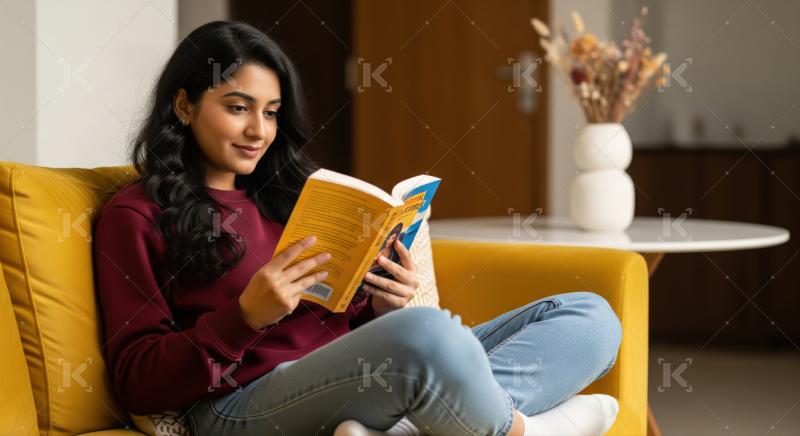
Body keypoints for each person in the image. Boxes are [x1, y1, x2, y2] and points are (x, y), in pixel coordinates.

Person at [93, 21, 622, 436]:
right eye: (238, 108)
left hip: (357, 378)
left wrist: (381, 305)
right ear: (184, 105)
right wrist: (244, 317)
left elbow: (347, 322)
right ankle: (525, 430)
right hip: (239, 406)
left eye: (272, 113)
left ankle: (408, 429)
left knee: (590, 317)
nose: (259, 131)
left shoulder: (291, 193)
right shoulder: (136, 215)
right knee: (430, 334)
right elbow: (137, 380)